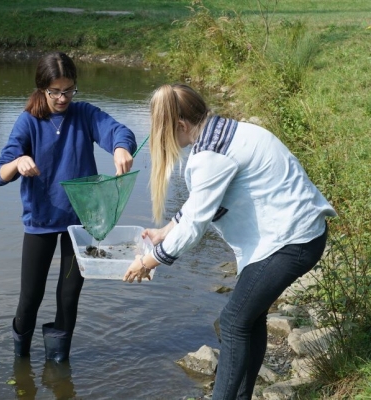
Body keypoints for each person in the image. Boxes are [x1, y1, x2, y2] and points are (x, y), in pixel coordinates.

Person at [123, 83, 336, 399]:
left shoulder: (211, 156)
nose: (164, 142)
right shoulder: (225, 132)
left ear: (181, 126)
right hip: (295, 234)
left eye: (163, 133)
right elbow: (200, 204)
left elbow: (195, 225)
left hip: (292, 241)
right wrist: (164, 231)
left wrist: (148, 261)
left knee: (234, 322)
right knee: (248, 318)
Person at [0, 51, 138, 362]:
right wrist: (18, 162)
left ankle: (58, 363)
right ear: (41, 89)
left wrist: (122, 147)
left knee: (68, 297)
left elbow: (118, 131)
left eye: (69, 89)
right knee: (30, 298)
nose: (62, 98)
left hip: (80, 223)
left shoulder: (84, 114)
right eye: (55, 91)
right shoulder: (28, 122)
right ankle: (21, 359)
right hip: (41, 221)